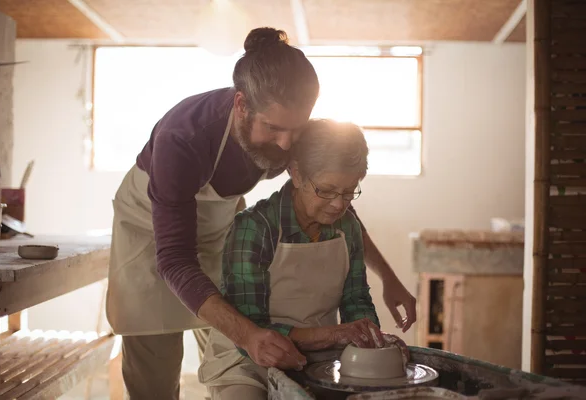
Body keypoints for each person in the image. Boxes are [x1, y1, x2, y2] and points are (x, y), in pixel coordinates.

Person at [106, 27, 416, 400]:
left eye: (296, 129)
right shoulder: (182, 138)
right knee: (155, 367)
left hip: (220, 223)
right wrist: (248, 335)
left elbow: (334, 203)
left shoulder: (288, 130)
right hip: (150, 232)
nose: (287, 143)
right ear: (241, 106)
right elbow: (174, 259)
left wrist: (389, 277)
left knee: (226, 353)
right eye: (273, 129)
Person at [199, 119, 408, 399]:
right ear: (296, 173)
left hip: (316, 357)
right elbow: (251, 325)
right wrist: (335, 335)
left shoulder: (348, 227)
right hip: (246, 359)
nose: (338, 204)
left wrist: (373, 341)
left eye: (349, 192)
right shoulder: (255, 228)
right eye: (326, 190)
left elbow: (355, 299)